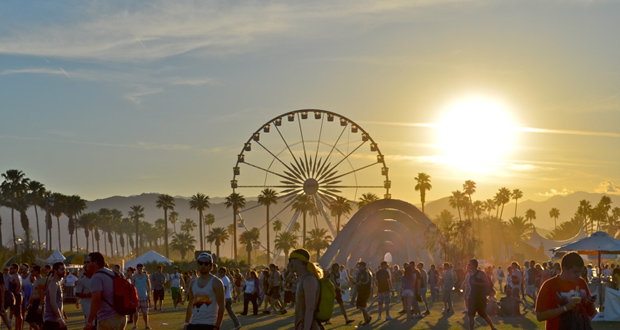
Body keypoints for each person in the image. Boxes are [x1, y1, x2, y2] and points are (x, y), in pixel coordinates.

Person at [536, 252, 597, 330]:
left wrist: (590, 303)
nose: (578, 275)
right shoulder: (549, 285)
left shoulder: (581, 282)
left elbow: (591, 313)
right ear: (564, 269)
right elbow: (540, 316)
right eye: (575, 272)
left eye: (580, 272)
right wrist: (565, 308)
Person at [86, 252, 127, 330]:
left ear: (95, 263)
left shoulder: (97, 277)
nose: (86, 264)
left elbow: (96, 301)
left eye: (88, 262)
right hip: (121, 317)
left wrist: (89, 322)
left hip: (107, 319)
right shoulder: (113, 273)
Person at [184, 253, 224, 330]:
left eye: (206, 263)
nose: (203, 266)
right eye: (201, 263)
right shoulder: (192, 283)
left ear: (211, 266)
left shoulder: (217, 283)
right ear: (197, 264)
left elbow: (221, 307)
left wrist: (217, 326)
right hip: (194, 323)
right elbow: (190, 305)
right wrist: (186, 323)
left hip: (210, 324)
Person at [288, 249, 321, 330]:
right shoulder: (301, 279)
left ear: (298, 261)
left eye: (291, 260)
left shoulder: (309, 280)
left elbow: (310, 309)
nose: (289, 263)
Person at [466, 259, 497, 330]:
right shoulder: (470, 274)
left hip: (480, 297)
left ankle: (493, 328)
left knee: (483, 314)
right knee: (470, 315)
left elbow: (487, 283)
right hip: (472, 297)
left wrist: (477, 283)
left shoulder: (481, 273)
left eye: (469, 264)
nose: (468, 265)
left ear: (474, 265)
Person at [42, 263, 65, 330]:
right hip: (52, 321)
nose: (64, 271)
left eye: (64, 269)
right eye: (62, 269)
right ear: (55, 270)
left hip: (56, 320)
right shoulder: (53, 283)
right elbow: (53, 302)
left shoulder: (58, 283)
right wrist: (59, 318)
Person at [131, 264, 151, 330]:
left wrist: (149, 294)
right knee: (135, 313)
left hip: (144, 296)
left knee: (145, 313)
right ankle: (135, 325)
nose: (139, 270)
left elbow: (149, 285)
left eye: (140, 268)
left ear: (142, 269)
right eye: (138, 268)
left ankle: (146, 325)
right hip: (136, 297)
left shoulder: (145, 276)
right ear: (137, 269)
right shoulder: (134, 277)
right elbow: (132, 287)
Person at [74, 260, 93, 328]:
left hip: (96, 303)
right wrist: (86, 295)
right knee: (90, 322)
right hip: (87, 303)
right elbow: (77, 293)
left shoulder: (96, 279)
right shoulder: (82, 280)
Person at [25, 265, 43, 330]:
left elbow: (42, 294)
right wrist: (29, 302)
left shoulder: (41, 281)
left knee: (39, 321)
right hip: (34, 302)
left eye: (32, 271)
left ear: (37, 271)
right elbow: (33, 293)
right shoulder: (35, 281)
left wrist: (40, 306)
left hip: (38, 302)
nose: (31, 273)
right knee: (31, 320)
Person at [9, 263, 24, 330]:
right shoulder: (14, 276)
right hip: (16, 296)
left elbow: (19, 284)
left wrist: (16, 294)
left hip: (17, 297)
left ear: (15, 269)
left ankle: (19, 328)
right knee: (16, 314)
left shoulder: (16, 276)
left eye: (11, 268)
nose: (10, 269)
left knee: (18, 314)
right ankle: (17, 328)